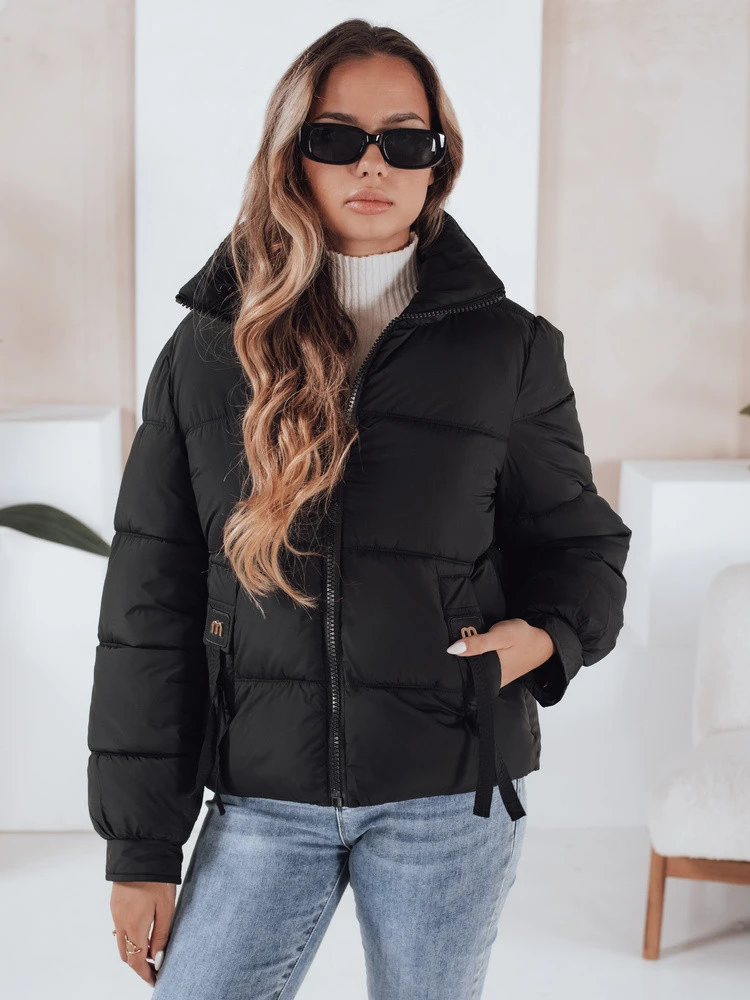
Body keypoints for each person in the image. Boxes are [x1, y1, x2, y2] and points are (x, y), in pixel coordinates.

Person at [87, 17, 632, 998]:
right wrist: (141, 849)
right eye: (337, 136)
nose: (371, 163)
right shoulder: (209, 351)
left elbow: (582, 544)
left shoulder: (508, 350)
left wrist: (541, 640)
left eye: (405, 140)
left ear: (438, 162)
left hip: (449, 793)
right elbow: (147, 605)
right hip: (261, 797)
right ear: (292, 156)